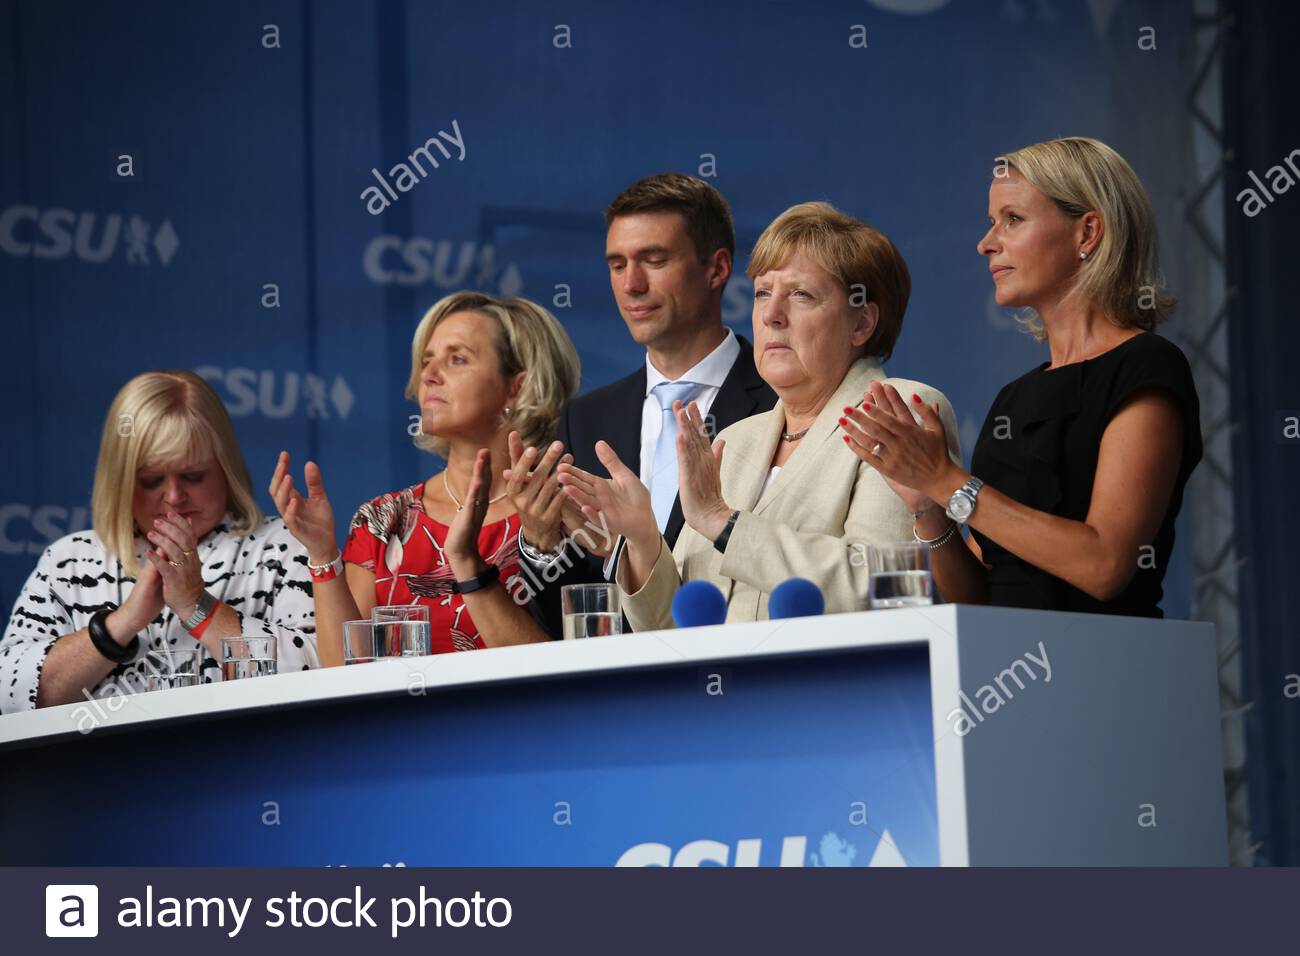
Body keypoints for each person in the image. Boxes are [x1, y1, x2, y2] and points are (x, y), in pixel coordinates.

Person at [842, 137, 1201, 617]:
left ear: (1087, 233)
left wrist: (946, 480)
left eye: (1012, 220)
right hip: (1009, 672)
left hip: (1111, 671)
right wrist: (927, 508)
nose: (986, 243)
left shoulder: (1147, 367)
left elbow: (1106, 565)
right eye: (992, 223)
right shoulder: (1017, 398)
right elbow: (979, 597)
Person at [557, 202, 961, 629]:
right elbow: (671, 629)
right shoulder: (736, 439)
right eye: (763, 293)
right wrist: (642, 543)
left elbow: (881, 586)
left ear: (861, 323)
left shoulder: (897, 412)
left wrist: (722, 522)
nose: (771, 315)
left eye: (801, 294)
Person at [271, 291, 581, 665]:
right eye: (426, 361)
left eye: (457, 359)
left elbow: (563, 673)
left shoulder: (568, 512)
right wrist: (323, 555)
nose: (429, 376)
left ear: (516, 386)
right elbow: (344, 675)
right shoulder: (384, 520)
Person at [509, 173, 776, 601]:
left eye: (654, 260)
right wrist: (542, 543)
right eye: (618, 265)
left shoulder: (781, 400)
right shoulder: (586, 419)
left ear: (718, 268)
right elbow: (566, 621)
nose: (631, 284)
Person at [0, 371, 319, 712]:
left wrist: (198, 606)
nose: (174, 496)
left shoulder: (282, 544)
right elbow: (8, 697)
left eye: (193, 476)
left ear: (226, 468)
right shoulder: (69, 560)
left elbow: (319, 675)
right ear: (119, 481)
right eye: (151, 480)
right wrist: (121, 624)